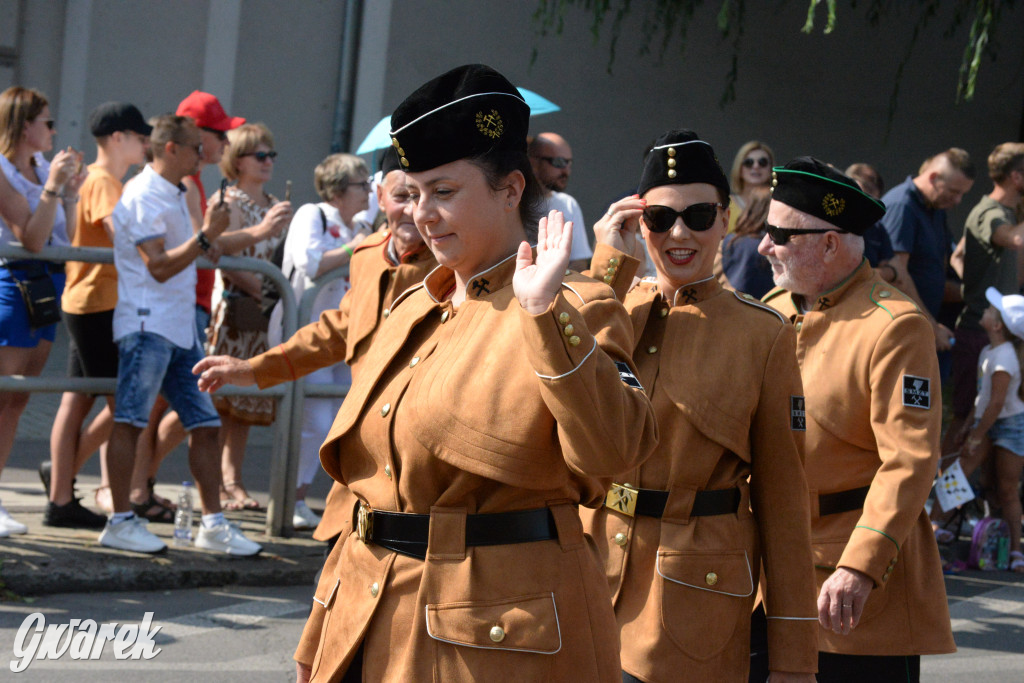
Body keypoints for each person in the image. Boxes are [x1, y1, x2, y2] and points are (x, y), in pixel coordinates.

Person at [265, 63, 656, 682]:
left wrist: (541, 314)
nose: (423, 214)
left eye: (444, 192)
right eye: (414, 193)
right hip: (364, 615)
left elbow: (615, 450)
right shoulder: (416, 304)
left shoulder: (574, 306)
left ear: (510, 190)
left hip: (491, 642)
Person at [582, 130, 817, 682]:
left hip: (691, 603)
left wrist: (794, 661)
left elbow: (783, 505)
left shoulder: (763, 333)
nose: (679, 233)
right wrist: (605, 273)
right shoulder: (608, 305)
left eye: (699, 215)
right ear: (638, 226)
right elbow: (564, 384)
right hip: (590, 578)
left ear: (728, 218)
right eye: (660, 219)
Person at [759, 158, 955, 680]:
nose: (763, 246)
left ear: (829, 243)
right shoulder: (771, 309)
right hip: (765, 576)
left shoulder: (893, 326)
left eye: (779, 234)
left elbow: (909, 461)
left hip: (849, 591)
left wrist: (860, 565)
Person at [195, 146, 436, 540]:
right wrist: (252, 369)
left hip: (418, 465)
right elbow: (337, 329)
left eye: (426, 195)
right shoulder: (369, 254)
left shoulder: (455, 264)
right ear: (379, 198)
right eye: (402, 196)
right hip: (364, 474)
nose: (412, 210)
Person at [101, 114, 260, 555]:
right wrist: (207, 235)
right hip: (146, 324)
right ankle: (119, 520)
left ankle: (213, 524)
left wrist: (208, 235)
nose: (203, 154)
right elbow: (159, 265)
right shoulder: (142, 194)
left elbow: (179, 258)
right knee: (131, 420)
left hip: (176, 327)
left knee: (206, 425)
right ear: (170, 148)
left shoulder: (170, 192)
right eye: (195, 146)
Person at [45, 102, 151, 528]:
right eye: (140, 137)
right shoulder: (105, 180)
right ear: (117, 138)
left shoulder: (100, 178)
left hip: (90, 300)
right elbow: (121, 234)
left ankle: (60, 487)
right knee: (121, 402)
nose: (146, 145)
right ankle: (105, 506)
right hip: (98, 303)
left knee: (79, 399)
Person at [261, 151, 371, 527]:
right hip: (305, 329)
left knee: (339, 419)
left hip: (344, 334)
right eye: (361, 184)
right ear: (338, 189)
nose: (368, 190)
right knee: (314, 420)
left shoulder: (360, 223)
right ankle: (288, 498)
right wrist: (351, 248)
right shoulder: (313, 214)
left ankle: (300, 497)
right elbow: (310, 263)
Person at [0, 86, 84, 536]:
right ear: (23, 125)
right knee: (3, 393)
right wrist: (54, 187)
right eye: (47, 122)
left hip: (48, 283)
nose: (54, 130)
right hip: (13, 281)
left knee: (17, 399)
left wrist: (68, 191)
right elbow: (30, 238)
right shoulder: (4, 171)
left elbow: (63, 240)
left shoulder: (41, 168)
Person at [205, 122, 291, 512]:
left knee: (243, 407)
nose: (268, 161)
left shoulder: (274, 202)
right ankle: (216, 486)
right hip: (237, 310)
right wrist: (267, 292)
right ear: (236, 160)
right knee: (222, 402)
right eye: (260, 155)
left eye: (271, 154)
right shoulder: (230, 200)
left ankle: (233, 481)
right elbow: (223, 257)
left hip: (264, 314)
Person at [945, 143, 1024, 462]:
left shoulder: (1006, 213)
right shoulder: (989, 212)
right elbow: (1015, 239)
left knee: (997, 419)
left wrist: (978, 283)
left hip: (996, 333)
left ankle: (962, 504)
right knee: (965, 418)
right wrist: (979, 293)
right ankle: (935, 504)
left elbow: (959, 255)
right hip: (979, 334)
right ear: (1017, 177)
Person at [954, 288, 1024, 572]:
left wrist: (976, 435)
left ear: (997, 326)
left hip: (1008, 427)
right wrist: (971, 424)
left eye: (991, 310)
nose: (984, 309)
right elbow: (982, 399)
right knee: (963, 472)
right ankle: (934, 524)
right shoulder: (989, 349)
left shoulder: (1005, 357)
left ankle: (1017, 551)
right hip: (985, 424)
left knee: (1007, 489)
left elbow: (995, 404)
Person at [879, 148, 976, 353]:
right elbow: (897, 278)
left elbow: (936, 267)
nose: (958, 200)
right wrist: (931, 326)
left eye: (962, 194)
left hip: (919, 326)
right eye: (954, 191)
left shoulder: (935, 208)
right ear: (933, 178)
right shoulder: (902, 206)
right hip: (898, 330)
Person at [528, 132, 592, 271]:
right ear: (533, 162)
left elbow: (579, 262)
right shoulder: (513, 203)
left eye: (569, 163)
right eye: (559, 162)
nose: (566, 171)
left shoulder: (568, 204)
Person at [845, 162, 901, 285]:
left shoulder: (877, 228)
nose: (865, 206)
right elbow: (840, 275)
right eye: (861, 196)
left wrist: (890, 272)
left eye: (872, 202)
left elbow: (893, 272)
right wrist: (885, 273)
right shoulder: (834, 224)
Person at [727, 141, 773, 233]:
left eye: (762, 162)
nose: (756, 166)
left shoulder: (777, 205)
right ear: (739, 169)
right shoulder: (725, 205)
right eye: (748, 162)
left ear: (771, 168)